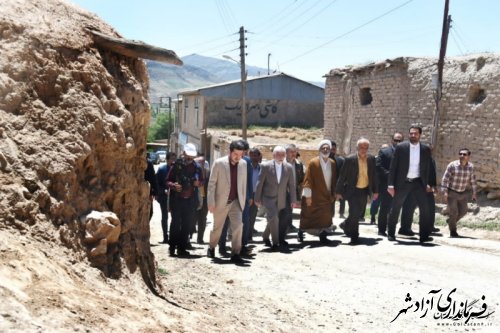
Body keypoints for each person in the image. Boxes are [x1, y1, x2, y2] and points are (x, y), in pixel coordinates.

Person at [386, 125, 433, 243]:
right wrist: (390, 185)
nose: (413, 135)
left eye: (415, 133)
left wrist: (430, 184)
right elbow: (393, 167)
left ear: (420, 135)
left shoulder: (425, 149)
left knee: (425, 209)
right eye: (411, 133)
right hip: (403, 182)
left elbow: (429, 167)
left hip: (418, 183)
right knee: (396, 208)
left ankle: (424, 236)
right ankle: (391, 233)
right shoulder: (401, 147)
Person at [207, 140, 248, 264]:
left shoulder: (244, 164)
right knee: (217, 228)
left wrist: (243, 200)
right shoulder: (219, 163)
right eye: (236, 154)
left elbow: (243, 184)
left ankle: (235, 253)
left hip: (236, 201)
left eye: (241, 155)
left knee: (238, 227)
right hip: (221, 201)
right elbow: (211, 184)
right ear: (230, 152)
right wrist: (211, 201)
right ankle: (211, 247)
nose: (238, 157)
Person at [336, 138, 378, 244]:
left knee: (358, 213)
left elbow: (374, 176)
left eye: (366, 148)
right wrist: (338, 191)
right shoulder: (350, 159)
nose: (363, 150)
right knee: (354, 212)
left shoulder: (371, 159)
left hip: (364, 190)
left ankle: (345, 224)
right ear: (357, 148)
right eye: (361, 147)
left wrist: (375, 190)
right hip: (352, 190)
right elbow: (342, 176)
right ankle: (354, 237)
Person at [255, 146, 296, 250]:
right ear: (273, 155)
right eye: (278, 154)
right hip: (268, 198)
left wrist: (293, 200)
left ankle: (265, 236)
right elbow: (259, 183)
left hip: (281, 199)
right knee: (274, 218)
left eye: (283, 155)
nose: (281, 157)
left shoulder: (289, 167)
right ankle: (275, 243)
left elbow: (291, 185)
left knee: (272, 219)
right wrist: (257, 198)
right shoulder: (265, 166)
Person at [166, 143, 203, 256]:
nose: (189, 159)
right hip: (177, 200)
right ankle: (172, 248)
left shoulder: (197, 167)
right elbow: (167, 181)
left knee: (187, 225)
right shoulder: (176, 166)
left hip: (190, 201)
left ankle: (182, 248)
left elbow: (202, 181)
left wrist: (199, 183)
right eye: (188, 156)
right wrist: (173, 185)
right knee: (175, 224)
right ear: (184, 153)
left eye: (192, 157)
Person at [299, 140, 337, 243]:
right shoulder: (313, 162)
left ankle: (323, 236)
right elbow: (308, 180)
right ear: (319, 150)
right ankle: (301, 232)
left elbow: (334, 181)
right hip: (314, 196)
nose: (325, 150)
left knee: (325, 217)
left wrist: (334, 194)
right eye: (323, 148)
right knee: (308, 216)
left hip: (326, 197)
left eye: (327, 148)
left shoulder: (332, 163)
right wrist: (308, 196)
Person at [441, 148, 478, 238]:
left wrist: (474, 192)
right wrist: (444, 192)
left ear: (468, 156)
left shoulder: (471, 167)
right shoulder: (452, 165)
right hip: (452, 192)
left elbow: (473, 180)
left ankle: (451, 222)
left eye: (464, 154)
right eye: (460, 154)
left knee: (464, 211)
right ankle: (453, 231)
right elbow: (445, 179)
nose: (462, 156)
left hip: (463, 192)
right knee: (454, 212)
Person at [375, 132, 403, 236]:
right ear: (392, 140)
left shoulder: (405, 153)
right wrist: (390, 176)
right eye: (396, 140)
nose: (398, 142)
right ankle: (381, 230)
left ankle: (391, 229)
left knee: (395, 208)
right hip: (386, 184)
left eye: (400, 140)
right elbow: (378, 166)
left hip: (400, 185)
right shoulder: (384, 152)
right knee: (385, 207)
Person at [155, 152, 176, 243]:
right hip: (164, 197)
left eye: (174, 158)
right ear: (167, 159)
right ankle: (165, 236)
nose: (173, 161)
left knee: (175, 217)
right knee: (165, 216)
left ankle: (173, 236)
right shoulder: (161, 169)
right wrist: (162, 191)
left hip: (175, 197)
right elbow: (157, 183)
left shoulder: (177, 169)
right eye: (172, 159)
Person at [285, 144, 304, 233]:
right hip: (283, 191)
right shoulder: (282, 163)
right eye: (291, 152)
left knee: (291, 208)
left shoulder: (298, 164)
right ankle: (284, 226)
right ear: (286, 153)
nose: (293, 154)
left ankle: (289, 225)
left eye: (295, 152)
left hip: (294, 190)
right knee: (285, 209)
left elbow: (301, 178)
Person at [193, 154, 210, 244]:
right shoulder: (193, 174)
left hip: (205, 201)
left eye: (203, 163)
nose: (202, 164)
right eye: (200, 162)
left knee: (202, 220)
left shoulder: (209, 174)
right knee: (192, 219)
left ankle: (200, 238)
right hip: (194, 201)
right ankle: (188, 237)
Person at [248, 147, 262, 242]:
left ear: (258, 156)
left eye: (255, 155)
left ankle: (249, 236)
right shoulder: (245, 166)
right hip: (246, 194)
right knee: (244, 216)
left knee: (252, 216)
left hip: (256, 195)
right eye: (252, 155)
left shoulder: (261, 168)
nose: (253, 157)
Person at [329, 141, 345, 218]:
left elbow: (342, 175)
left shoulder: (340, 161)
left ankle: (330, 223)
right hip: (323, 187)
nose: (332, 151)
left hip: (335, 187)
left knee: (331, 206)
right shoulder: (319, 161)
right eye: (330, 149)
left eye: (333, 149)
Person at [145, 153, 159, 221]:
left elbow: (153, 179)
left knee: (150, 212)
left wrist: (154, 192)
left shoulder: (149, 163)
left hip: (147, 191)